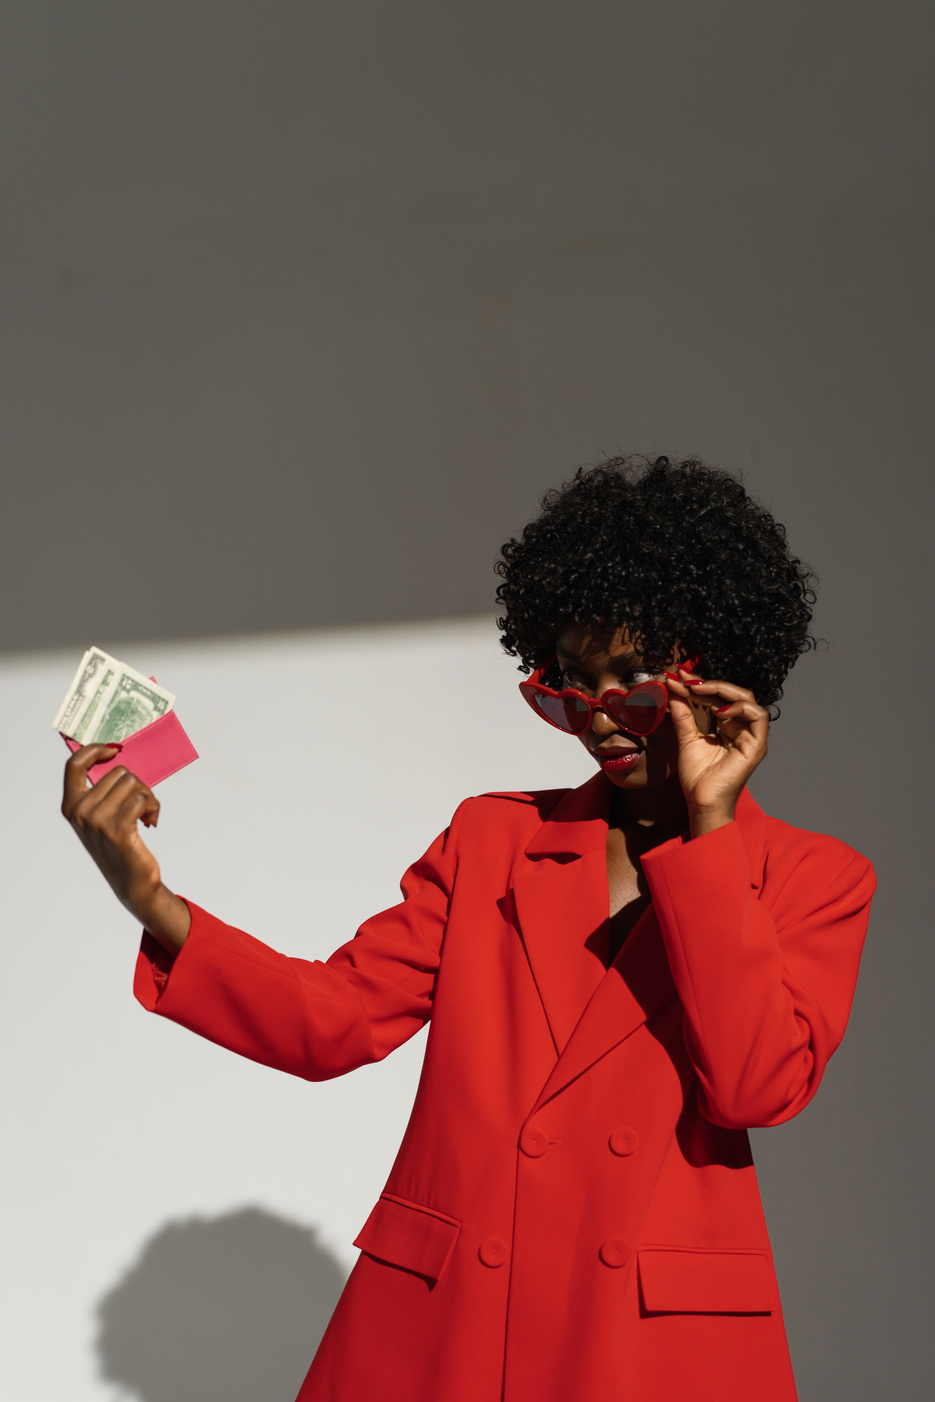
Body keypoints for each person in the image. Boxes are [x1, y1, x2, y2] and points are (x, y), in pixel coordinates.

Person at [61, 455, 875, 1402]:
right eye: (568, 689)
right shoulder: (493, 839)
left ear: (719, 680)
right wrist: (147, 895)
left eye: (632, 687)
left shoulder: (813, 879)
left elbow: (749, 1087)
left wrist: (709, 831)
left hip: (645, 1347)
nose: (598, 723)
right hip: (454, 1322)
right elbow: (333, 1020)